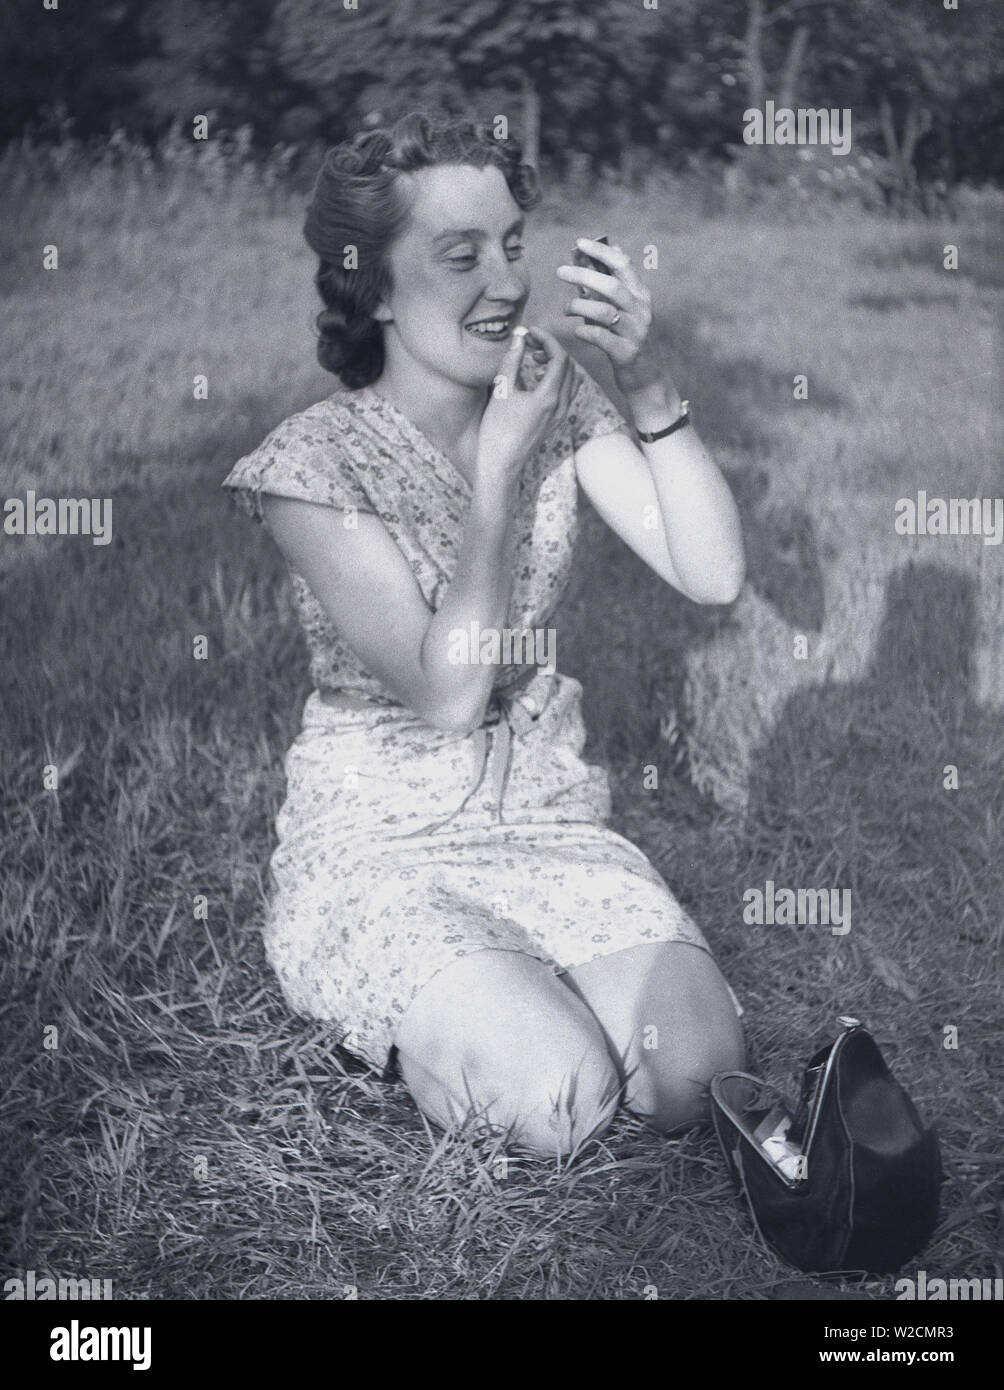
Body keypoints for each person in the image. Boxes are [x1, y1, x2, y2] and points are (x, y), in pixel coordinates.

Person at [222, 112, 747, 1158]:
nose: (505, 282)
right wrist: (497, 474)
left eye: (512, 244)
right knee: (561, 1100)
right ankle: (438, 1004)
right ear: (371, 286)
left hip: (543, 818)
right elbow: (449, 693)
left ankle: (518, 989)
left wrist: (643, 382)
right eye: (458, 255)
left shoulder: (555, 399)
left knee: (694, 1075)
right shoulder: (311, 467)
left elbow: (711, 572)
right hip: (385, 840)